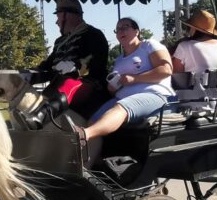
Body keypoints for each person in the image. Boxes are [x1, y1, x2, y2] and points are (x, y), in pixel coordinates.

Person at [73, 18, 173, 158]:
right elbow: (117, 87)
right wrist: (113, 88)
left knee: (120, 107)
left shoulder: (149, 45)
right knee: (93, 119)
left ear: (136, 31)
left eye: (125, 27)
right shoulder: (119, 59)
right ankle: (89, 163)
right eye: (118, 29)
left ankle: (84, 134)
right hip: (123, 98)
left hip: (154, 94)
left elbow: (166, 69)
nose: (120, 31)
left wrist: (135, 78)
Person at [23, 0, 109, 124]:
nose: (57, 22)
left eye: (58, 16)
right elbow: (48, 67)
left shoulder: (93, 34)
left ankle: (43, 118)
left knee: (69, 84)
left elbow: (96, 62)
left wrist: (76, 67)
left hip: (88, 87)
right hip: (57, 86)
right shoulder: (59, 41)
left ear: (67, 15)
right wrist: (28, 75)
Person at [171, 9, 217, 105]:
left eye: (189, 27)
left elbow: (177, 79)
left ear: (194, 29)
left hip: (196, 103)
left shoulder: (184, 46)